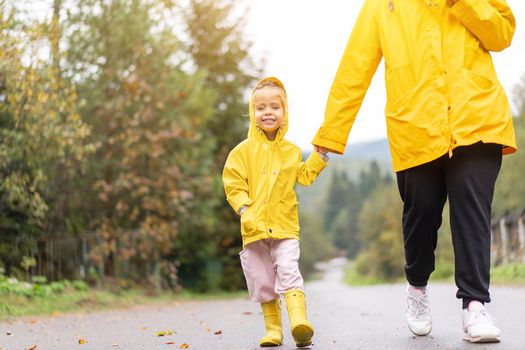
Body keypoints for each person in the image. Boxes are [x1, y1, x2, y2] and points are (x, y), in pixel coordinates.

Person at [312, 0, 516, 343]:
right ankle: (418, 286)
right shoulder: (381, 6)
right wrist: (333, 131)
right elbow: (355, 68)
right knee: (420, 213)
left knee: (472, 211)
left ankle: (475, 304)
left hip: (477, 118)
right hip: (416, 126)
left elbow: (501, 34)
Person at [222, 77, 328, 347]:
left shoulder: (291, 151)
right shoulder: (241, 152)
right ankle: (273, 330)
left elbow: (303, 176)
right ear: (252, 113)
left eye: (274, 107)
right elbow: (233, 183)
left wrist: (319, 157)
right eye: (261, 108)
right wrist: (245, 207)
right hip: (254, 228)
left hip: (285, 226)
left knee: (289, 270)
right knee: (263, 280)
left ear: (285, 112)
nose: (268, 112)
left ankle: (299, 323)